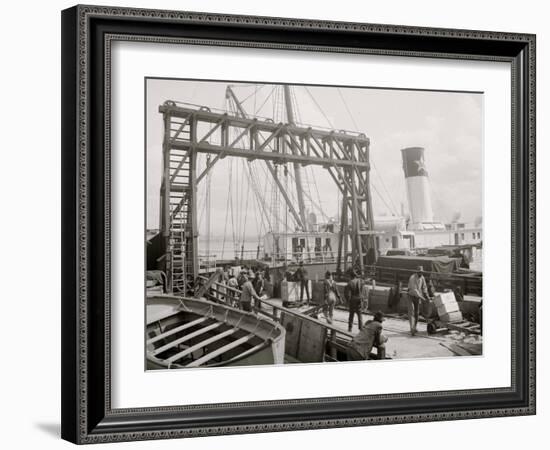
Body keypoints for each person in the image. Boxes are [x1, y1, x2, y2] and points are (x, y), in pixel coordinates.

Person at [407, 265, 430, 335]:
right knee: (412, 312)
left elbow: (424, 287)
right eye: (420, 272)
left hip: (417, 297)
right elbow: (415, 290)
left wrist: (427, 296)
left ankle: (415, 327)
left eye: (422, 272)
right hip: (411, 295)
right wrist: (422, 298)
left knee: (417, 313)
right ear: (417, 272)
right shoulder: (412, 278)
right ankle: (412, 328)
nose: (421, 273)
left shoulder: (422, 278)